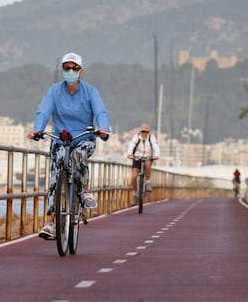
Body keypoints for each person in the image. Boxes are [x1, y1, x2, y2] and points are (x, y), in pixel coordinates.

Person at [27, 52, 110, 239]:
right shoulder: (54, 91)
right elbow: (43, 110)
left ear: (81, 71)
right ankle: (49, 222)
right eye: (67, 68)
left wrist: (103, 128)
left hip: (84, 138)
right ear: (62, 70)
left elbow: (101, 111)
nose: (70, 71)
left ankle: (84, 190)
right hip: (60, 139)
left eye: (74, 68)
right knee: (55, 177)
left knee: (79, 155)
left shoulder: (90, 91)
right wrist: (37, 130)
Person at [127, 124, 160, 205]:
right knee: (134, 176)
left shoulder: (151, 138)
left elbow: (155, 146)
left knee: (148, 164)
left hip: (147, 157)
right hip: (137, 157)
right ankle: (134, 194)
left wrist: (156, 155)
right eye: (142, 132)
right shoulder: (136, 137)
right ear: (140, 132)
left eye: (146, 132)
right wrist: (130, 154)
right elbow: (132, 145)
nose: (144, 133)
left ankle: (148, 182)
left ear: (148, 132)